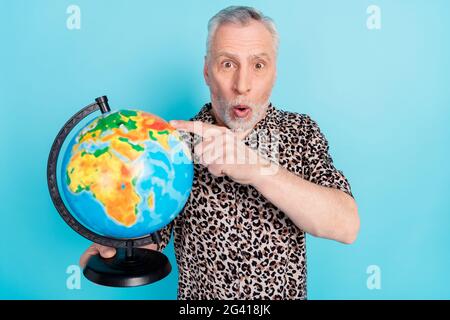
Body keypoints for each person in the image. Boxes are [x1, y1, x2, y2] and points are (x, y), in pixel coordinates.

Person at [80, 5, 360, 300]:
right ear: (206, 71)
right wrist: (114, 250)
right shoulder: (176, 145)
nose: (242, 85)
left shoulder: (301, 131)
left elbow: (345, 225)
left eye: (258, 65)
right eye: (227, 64)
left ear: (274, 72)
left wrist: (255, 168)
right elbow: (149, 238)